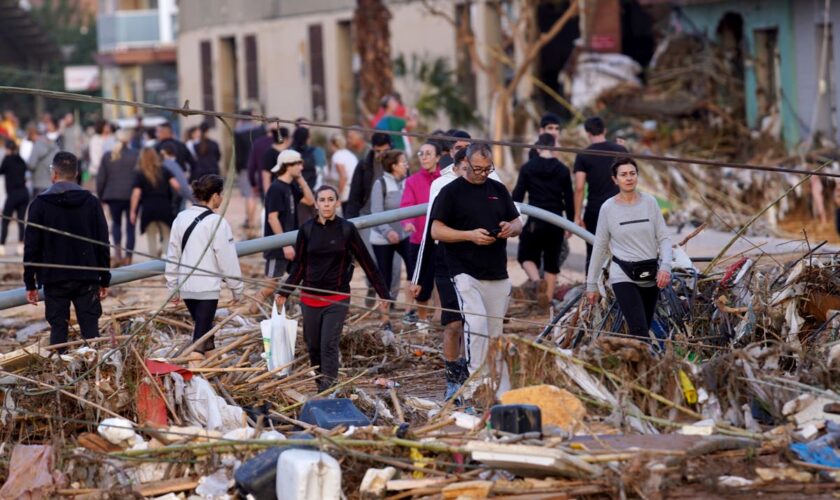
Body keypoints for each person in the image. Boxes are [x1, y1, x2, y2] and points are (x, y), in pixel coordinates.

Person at [275, 185, 391, 392]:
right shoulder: (307, 229)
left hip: (337, 299)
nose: (327, 204)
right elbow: (300, 266)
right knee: (313, 346)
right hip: (310, 298)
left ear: (337, 203)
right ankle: (321, 383)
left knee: (329, 344)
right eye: (322, 200)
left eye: (331, 200)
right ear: (317, 204)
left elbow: (367, 262)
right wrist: (284, 291)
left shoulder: (346, 229)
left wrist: (383, 293)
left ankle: (329, 388)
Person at [430, 143, 522, 398]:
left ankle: (496, 387)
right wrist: (469, 235)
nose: (482, 173)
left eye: (487, 169)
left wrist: (510, 228)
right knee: (476, 325)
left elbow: (517, 221)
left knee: (495, 332)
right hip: (463, 270)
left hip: (496, 270)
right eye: (477, 168)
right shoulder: (451, 192)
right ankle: (473, 387)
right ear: (466, 164)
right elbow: (436, 230)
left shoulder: (498, 189)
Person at [23, 152, 110, 348]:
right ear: (77, 174)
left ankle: (61, 371)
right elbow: (103, 243)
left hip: (54, 279)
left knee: (58, 331)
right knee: (91, 331)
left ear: (53, 174)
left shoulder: (39, 204)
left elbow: (31, 246)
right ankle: (95, 372)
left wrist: (30, 283)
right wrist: (104, 277)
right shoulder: (91, 202)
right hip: (87, 276)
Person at [586, 158, 672, 340]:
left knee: (644, 327)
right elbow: (600, 246)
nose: (629, 178)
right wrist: (591, 284)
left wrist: (665, 266)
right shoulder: (608, 208)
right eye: (623, 175)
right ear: (615, 179)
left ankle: (637, 364)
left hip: (650, 273)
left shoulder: (650, 203)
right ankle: (644, 367)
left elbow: (664, 237)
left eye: (632, 173)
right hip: (622, 274)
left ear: (637, 176)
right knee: (639, 330)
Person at [166, 174, 244, 354]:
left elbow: (172, 255)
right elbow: (227, 259)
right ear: (215, 196)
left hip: (186, 287)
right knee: (200, 340)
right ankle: (192, 376)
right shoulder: (217, 222)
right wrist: (237, 288)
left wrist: (173, 287)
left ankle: (211, 376)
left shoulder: (181, 217)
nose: (222, 198)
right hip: (207, 289)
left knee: (206, 333)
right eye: (221, 194)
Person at [512, 133, 575, 308]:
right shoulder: (562, 169)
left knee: (524, 255)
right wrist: (570, 224)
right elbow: (568, 199)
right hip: (556, 221)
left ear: (538, 147)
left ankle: (537, 280)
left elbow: (517, 195)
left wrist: (511, 216)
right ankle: (546, 301)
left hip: (535, 220)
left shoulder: (528, 167)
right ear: (554, 147)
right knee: (551, 261)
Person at [254, 149, 315, 307]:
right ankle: (252, 307)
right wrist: (285, 244)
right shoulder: (276, 188)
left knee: (301, 279)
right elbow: (272, 218)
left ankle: (284, 308)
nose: (301, 167)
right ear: (288, 166)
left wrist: (301, 180)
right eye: (298, 164)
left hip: (293, 246)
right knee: (270, 286)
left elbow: (310, 201)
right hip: (278, 248)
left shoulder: (291, 186)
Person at [574, 116, 628, 272]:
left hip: (595, 210)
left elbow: (579, 187)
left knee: (593, 252)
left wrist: (577, 215)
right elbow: (628, 177)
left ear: (587, 132)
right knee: (621, 250)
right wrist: (622, 150)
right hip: (620, 208)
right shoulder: (620, 151)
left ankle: (591, 291)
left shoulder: (583, 155)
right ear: (604, 130)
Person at [399, 141, 441, 325]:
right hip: (420, 241)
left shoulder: (446, 180)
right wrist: (407, 223)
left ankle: (442, 318)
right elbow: (406, 206)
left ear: (438, 157)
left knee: (444, 281)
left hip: (444, 239)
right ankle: (422, 323)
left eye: (428, 153)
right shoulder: (412, 181)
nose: (424, 156)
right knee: (421, 287)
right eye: (421, 153)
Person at [370, 150, 412, 308]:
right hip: (382, 238)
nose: (407, 165)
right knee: (385, 278)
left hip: (404, 235)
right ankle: (385, 319)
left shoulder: (408, 182)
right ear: (394, 166)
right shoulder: (380, 184)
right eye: (403, 162)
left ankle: (410, 310)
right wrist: (388, 231)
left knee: (413, 268)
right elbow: (376, 212)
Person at [96, 130, 140, 266]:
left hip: (112, 195)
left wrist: (100, 195)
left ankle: (118, 253)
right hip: (131, 195)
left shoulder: (108, 156)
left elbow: (101, 178)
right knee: (131, 226)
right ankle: (129, 257)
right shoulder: (135, 155)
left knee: (116, 224)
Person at [130, 148, 181, 258]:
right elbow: (176, 185)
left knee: (151, 236)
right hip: (164, 206)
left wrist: (133, 211)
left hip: (149, 208)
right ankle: (166, 261)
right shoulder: (164, 170)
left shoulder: (140, 174)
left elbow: (136, 194)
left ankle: (153, 264)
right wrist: (173, 197)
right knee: (167, 235)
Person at [345, 132, 392, 219]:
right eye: (378, 151)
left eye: (386, 151)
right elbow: (355, 195)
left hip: (391, 214)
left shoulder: (397, 164)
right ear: (373, 148)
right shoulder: (365, 165)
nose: (382, 154)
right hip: (367, 215)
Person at [0, 140, 28, 254]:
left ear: (8, 149)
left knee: (6, 220)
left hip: (13, 194)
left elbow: (1, 171)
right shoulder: (21, 160)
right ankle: (21, 246)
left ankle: (2, 246)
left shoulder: (7, 159)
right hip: (24, 193)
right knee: (21, 221)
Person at [325, 132, 358, 212]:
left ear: (332, 144)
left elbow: (343, 176)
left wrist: (338, 196)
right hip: (354, 190)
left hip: (346, 193)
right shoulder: (349, 154)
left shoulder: (337, 156)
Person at [26, 125, 60, 197]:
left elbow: (31, 165)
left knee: (39, 207)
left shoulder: (37, 145)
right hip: (53, 183)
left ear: (34, 135)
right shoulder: (54, 145)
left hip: (39, 183)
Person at [161, 142, 193, 213]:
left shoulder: (160, 163)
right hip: (174, 198)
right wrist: (195, 200)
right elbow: (182, 185)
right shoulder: (172, 164)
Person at [260, 126, 291, 194]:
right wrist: (268, 196)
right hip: (275, 192)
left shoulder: (288, 152)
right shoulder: (270, 154)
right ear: (285, 139)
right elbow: (266, 177)